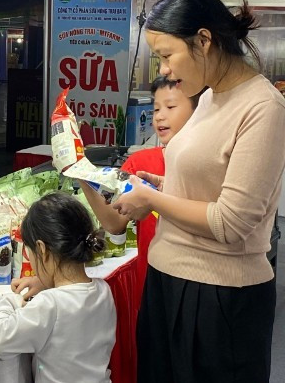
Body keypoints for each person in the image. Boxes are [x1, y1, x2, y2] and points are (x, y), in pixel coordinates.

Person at [112, 0, 285, 382]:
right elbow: (205, 182)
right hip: (167, 279)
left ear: (204, 41)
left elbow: (232, 222)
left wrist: (155, 197)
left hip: (219, 297)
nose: (163, 70)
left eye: (166, 55)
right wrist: (159, 184)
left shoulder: (263, 109)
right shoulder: (210, 97)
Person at [79, 75, 199, 296]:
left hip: (197, 285)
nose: (160, 117)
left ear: (198, 112)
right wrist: (80, 173)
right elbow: (114, 223)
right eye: (155, 109)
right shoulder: (139, 163)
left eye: (171, 107)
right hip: (151, 285)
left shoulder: (207, 165)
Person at [0, 192, 116, 383]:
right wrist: (45, 281)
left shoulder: (50, 304)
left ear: (42, 249)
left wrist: (10, 299)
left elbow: (0, 340)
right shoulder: (104, 291)